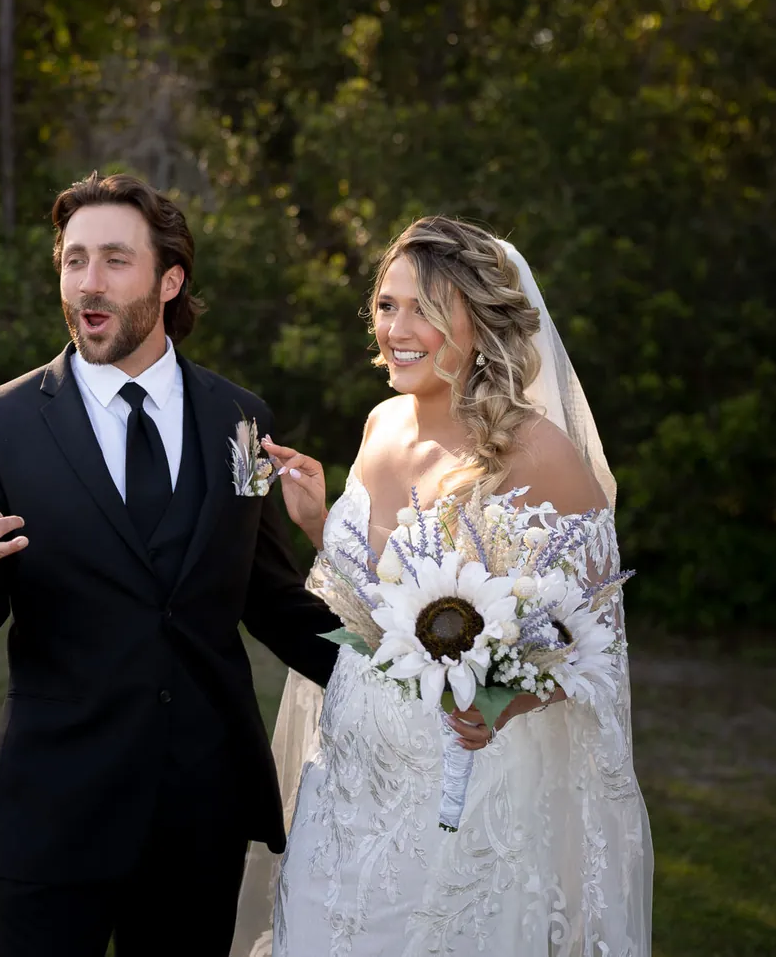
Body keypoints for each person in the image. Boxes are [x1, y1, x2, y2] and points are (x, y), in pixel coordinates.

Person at [0, 172, 341, 957]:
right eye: (74, 260)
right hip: (56, 809)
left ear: (168, 280)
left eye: (115, 260)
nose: (89, 281)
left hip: (202, 811)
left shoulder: (241, 420)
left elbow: (272, 600)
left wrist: (405, 673)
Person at [228, 216, 652, 957]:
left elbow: (595, 641)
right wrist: (321, 524)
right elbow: (374, 606)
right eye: (387, 305)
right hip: (345, 781)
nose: (397, 329)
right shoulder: (381, 425)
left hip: (462, 794)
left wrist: (505, 704)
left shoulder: (538, 453)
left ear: (480, 323)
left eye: (424, 308)